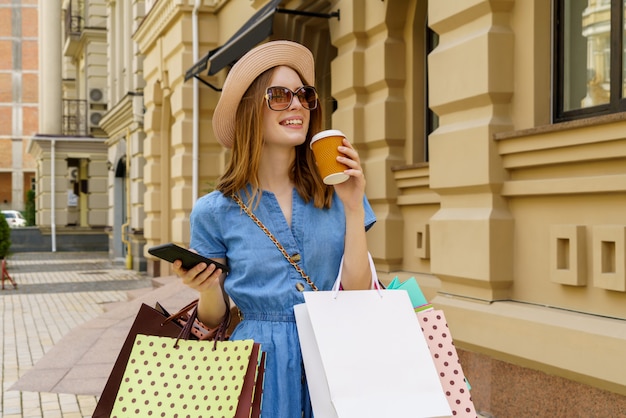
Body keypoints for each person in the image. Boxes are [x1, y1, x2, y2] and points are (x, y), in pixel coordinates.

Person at [173, 40, 376, 417]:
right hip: (257, 371)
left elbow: (359, 292)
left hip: (337, 360)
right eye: (280, 95)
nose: (297, 104)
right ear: (250, 109)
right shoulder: (214, 211)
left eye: (304, 95)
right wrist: (205, 288)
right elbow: (215, 318)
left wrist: (352, 206)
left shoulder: (338, 191)